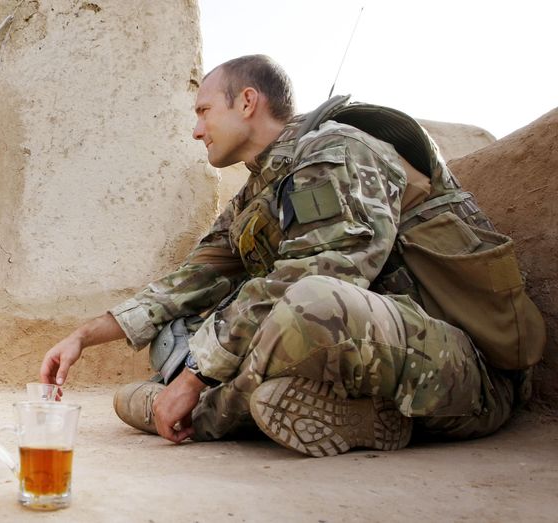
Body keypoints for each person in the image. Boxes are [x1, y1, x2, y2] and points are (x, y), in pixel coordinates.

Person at [39, 54, 534, 457]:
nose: (196, 129)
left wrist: (194, 378)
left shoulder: (336, 149)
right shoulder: (260, 193)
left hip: (463, 377)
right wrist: (82, 336)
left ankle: (209, 413)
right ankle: (340, 415)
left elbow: (321, 270)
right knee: (183, 333)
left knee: (310, 300)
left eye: (204, 110)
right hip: (370, 361)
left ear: (247, 101)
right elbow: (192, 279)